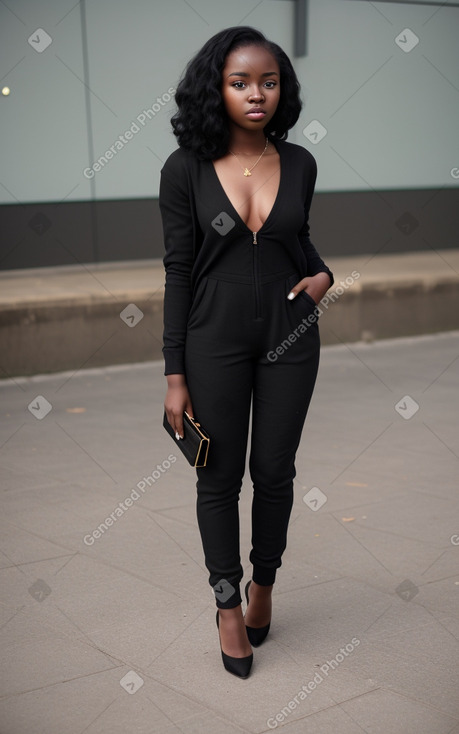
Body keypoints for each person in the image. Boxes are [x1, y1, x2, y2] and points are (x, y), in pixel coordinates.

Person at [160, 26, 334, 679]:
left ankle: (264, 583)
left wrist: (324, 277)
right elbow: (179, 270)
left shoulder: (300, 162)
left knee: (275, 472)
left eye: (268, 81)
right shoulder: (185, 170)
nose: (256, 94)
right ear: (217, 88)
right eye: (240, 82)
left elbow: (301, 245)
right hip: (213, 339)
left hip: (290, 335)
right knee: (217, 477)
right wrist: (174, 374)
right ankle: (227, 604)